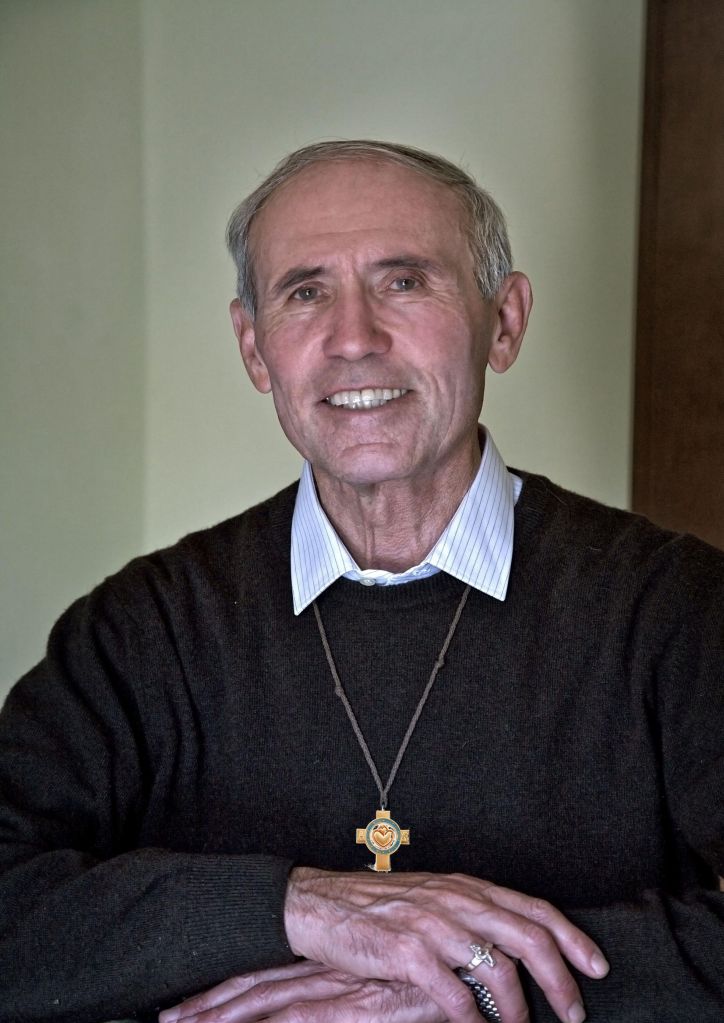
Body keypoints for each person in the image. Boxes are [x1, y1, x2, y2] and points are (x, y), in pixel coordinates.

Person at [0, 141, 722, 1023]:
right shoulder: (141, 629)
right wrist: (298, 908)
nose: (353, 339)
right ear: (255, 348)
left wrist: (464, 986)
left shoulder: (678, 608)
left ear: (504, 322)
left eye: (404, 282)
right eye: (305, 293)